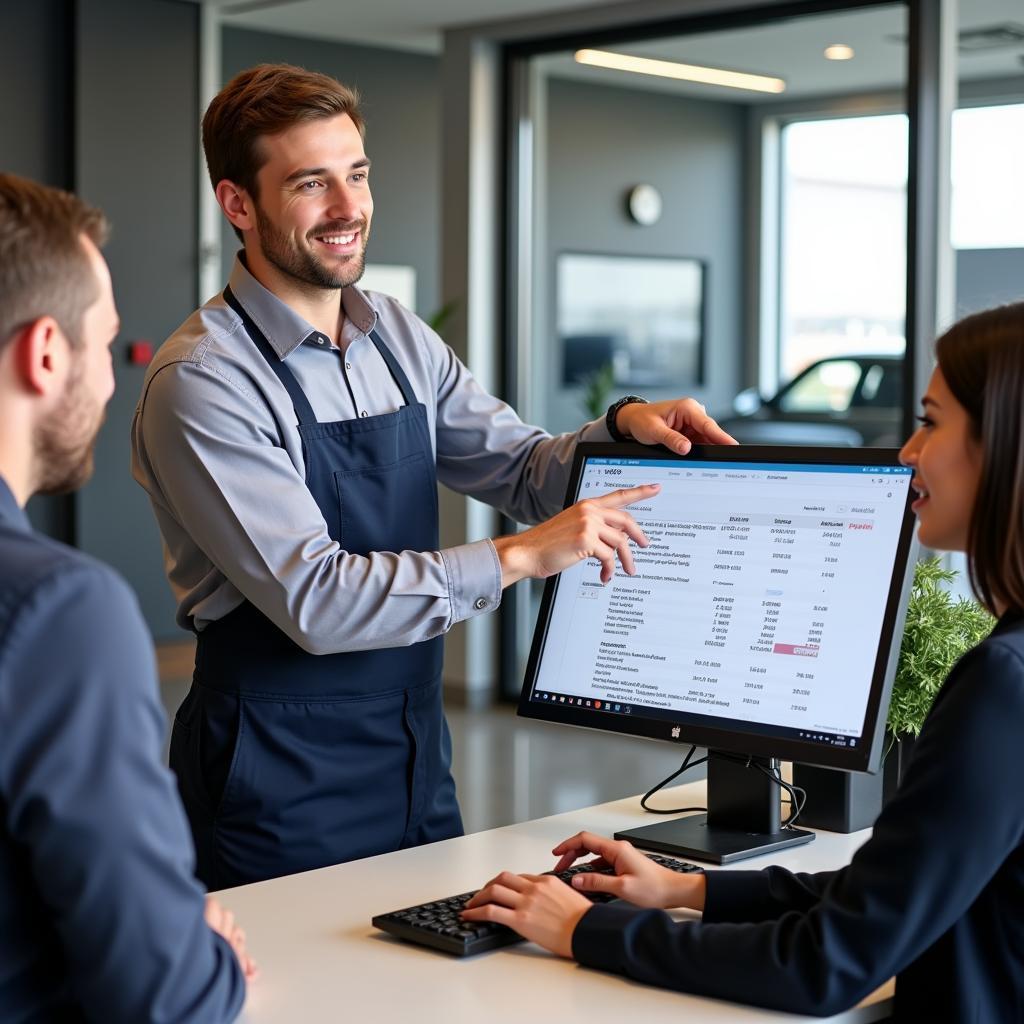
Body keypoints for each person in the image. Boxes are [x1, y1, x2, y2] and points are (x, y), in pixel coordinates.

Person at [130, 62, 734, 891]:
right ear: (239, 204)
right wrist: (519, 558)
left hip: (413, 747)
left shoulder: (398, 339)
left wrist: (620, 429)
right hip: (271, 769)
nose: (349, 209)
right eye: (313, 184)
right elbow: (317, 599)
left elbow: (522, 468)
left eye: (359, 174)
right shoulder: (204, 381)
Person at [463, 302, 1024, 1021]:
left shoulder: (1003, 686)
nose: (908, 452)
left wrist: (583, 929)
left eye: (931, 421)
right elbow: (890, 896)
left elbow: (826, 963)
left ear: (1004, 443)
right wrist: (686, 891)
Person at [0, 173, 254, 1022]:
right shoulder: (58, 613)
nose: (113, 385)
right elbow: (164, 999)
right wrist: (200, 946)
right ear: (43, 354)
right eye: (105, 349)